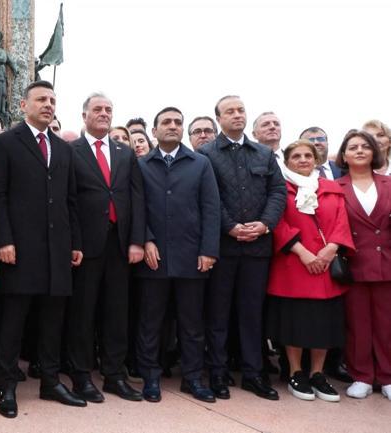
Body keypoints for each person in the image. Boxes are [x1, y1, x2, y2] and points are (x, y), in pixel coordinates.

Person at [0, 80, 85, 418]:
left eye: (52, 100)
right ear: (23, 105)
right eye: (41, 99)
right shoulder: (6, 142)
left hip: (58, 250)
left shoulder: (63, 148)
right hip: (20, 248)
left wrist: (75, 243)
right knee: (13, 321)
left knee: (53, 319)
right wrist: (3, 240)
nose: (48, 105)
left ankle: (50, 381)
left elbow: (70, 200)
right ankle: (6, 384)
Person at [198, 95, 286, 401]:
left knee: (252, 313)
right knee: (218, 314)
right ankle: (217, 372)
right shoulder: (206, 154)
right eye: (230, 111)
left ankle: (253, 373)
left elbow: (277, 191)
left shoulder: (263, 153)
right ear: (218, 118)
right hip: (222, 247)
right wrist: (230, 226)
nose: (237, 115)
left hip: (257, 248)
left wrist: (265, 224)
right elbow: (207, 196)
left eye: (241, 110)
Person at [135, 107, 220, 404]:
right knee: (150, 322)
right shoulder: (142, 165)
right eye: (166, 122)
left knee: (192, 323)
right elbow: (136, 207)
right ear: (154, 130)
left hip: (192, 256)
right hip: (153, 257)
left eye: (178, 122)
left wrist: (208, 250)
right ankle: (150, 377)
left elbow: (211, 208)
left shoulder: (200, 163)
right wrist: (145, 239)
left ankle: (193, 378)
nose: (172, 126)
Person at [66, 93, 146, 404]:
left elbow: (136, 198)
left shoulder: (125, 153)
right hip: (86, 247)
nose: (104, 113)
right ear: (84, 115)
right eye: (97, 109)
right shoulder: (71, 151)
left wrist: (137, 241)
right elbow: (68, 201)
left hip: (120, 245)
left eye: (108, 109)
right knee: (83, 313)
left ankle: (114, 376)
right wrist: (74, 242)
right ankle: (81, 376)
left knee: (116, 313)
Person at [266, 139, 354, 402]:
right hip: (293, 264)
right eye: (296, 156)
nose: (303, 160)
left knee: (323, 324)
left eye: (308, 155)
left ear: (316, 160)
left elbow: (342, 221)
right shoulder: (280, 188)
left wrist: (331, 249)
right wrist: (302, 252)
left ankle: (317, 373)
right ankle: (296, 372)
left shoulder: (332, 188)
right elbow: (277, 223)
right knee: (295, 321)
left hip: (325, 265)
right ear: (287, 161)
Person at [333, 130, 391, 400]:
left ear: (374, 152)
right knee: (357, 324)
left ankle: (388, 376)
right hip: (352, 264)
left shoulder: (388, 184)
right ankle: (362, 376)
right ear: (344, 156)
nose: (359, 150)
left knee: (387, 323)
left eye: (365, 146)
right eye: (353, 147)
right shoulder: (335, 187)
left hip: (386, 262)